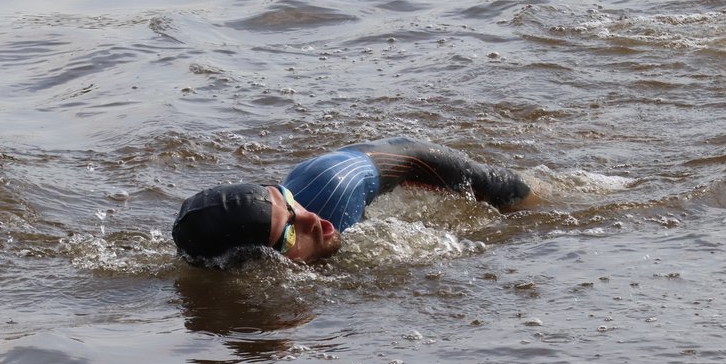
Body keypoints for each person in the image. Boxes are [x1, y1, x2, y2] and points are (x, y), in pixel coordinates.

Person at [172, 137, 544, 265]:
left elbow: (408, 155)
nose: (310, 219)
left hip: (410, 157)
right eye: (286, 235)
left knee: (518, 200)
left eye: (288, 202)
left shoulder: (329, 198)